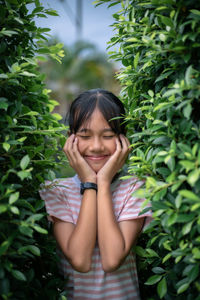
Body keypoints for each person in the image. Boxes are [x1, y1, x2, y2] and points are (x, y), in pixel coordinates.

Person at [39, 89, 152, 300]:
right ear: (70, 140)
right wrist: (90, 183)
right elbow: (80, 260)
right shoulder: (56, 191)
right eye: (85, 136)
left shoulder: (134, 189)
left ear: (123, 141)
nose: (97, 146)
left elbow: (112, 259)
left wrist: (104, 182)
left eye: (108, 135)